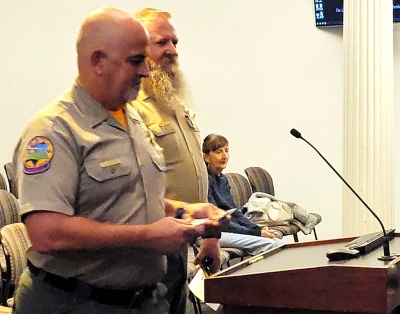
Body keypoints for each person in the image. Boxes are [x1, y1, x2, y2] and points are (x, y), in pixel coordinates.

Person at [11, 7, 224, 314]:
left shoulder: (131, 118)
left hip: (140, 300)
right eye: (136, 60)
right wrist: (148, 236)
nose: (146, 71)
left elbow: (130, 195)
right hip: (74, 302)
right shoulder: (54, 129)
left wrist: (184, 210)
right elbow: (47, 232)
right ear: (98, 61)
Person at [131, 8, 220, 314]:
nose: (172, 51)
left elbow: (195, 176)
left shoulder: (174, 103)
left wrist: (209, 233)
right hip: (151, 245)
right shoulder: (131, 109)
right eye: (161, 43)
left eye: (174, 42)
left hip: (183, 238)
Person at [203, 134, 285, 255]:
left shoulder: (222, 179)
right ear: (206, 157)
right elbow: (217, 221)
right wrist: (255, 233)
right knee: (272, 245)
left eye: (226, 150)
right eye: (218, 152)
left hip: (226, 230)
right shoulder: (204, 181)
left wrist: (257, 229)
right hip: (210, 235)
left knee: (279, 243)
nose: (225, 156)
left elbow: (234, 212)